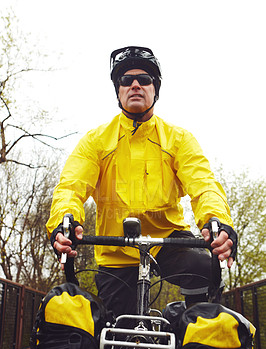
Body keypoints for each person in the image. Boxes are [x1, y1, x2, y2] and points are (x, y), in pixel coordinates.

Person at [46, 46, 237, 316]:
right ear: (119, 91)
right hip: (115, 253)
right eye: (126, 80)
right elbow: (70, 187)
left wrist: (217, 223)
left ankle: (196, 337)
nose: (135, 84)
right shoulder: (96, 141)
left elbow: (203, 185)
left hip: (169, 243)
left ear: (155, 89)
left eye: (144, 79)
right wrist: (64, 222)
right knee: (119, 334)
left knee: (204, 269)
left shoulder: (179, 139)